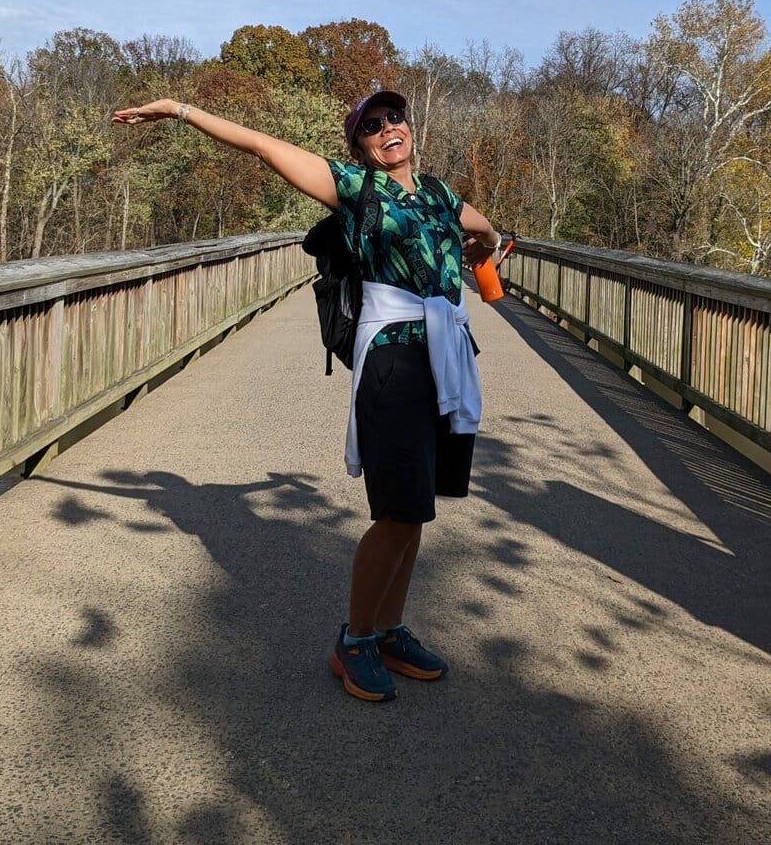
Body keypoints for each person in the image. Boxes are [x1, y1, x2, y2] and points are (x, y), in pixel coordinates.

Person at [111, 90, 502, 702]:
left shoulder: (438, 193)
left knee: (417, 508)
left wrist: (492, 241)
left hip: (446, 358)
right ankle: (354, 643)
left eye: (394, 118)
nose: (387, 129)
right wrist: (180, 111)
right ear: (359, 146)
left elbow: (478, 224)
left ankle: (390, 631)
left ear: (409, 125)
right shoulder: (355, 189)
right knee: (396, 512)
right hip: (395, 361)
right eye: (372, 127)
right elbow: (263, 146)